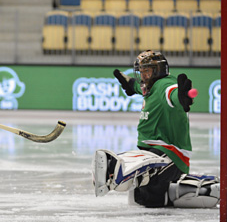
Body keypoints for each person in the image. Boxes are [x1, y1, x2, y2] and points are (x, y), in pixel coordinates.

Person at [92, 50, 220, 208]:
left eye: (147, 71)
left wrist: (181, 98)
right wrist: (130, 84)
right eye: (141, 71)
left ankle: (191, 189)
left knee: (147, 184)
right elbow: (139, 88)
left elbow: (171, 94)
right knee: (141, 198)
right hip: (152, 151)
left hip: (171, 154)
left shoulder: (165, 85)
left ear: (158, 70)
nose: (143, 75)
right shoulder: (150, 86)